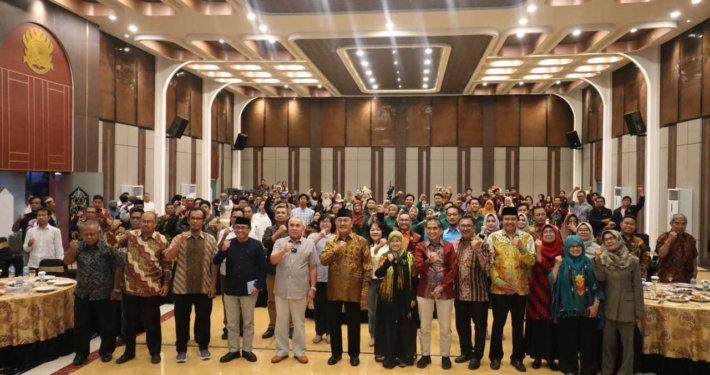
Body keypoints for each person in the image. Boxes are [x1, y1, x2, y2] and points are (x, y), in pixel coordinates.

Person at [106, 212, 170, 365]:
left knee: (152, 323)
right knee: (128, 323)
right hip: (130, 287)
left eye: (149, 222)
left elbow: (166, 264)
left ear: (155, 223)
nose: (145, 224)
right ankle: (129, 352)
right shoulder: (130, 235)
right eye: (143, 221)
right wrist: (111, 230)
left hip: (152, 288)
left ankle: (155, 352)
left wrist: (166, 283)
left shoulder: (162, 240)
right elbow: (113, 243)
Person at [64, 221, 123, 365]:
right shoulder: (78, 247)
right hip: (83, 292)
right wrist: (71, 250)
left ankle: (106, 351)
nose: (89, 237)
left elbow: (118, 267)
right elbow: (67, 261)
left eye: (92, 234)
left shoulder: (108, 248)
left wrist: (116, 288)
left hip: (104, 292)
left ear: (99, 234)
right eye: (86, 234)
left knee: (107, 325)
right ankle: (81, 353)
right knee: (81, 325)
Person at [164, 207, 219, 363]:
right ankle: (181, 350)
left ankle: (203, 347)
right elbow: (168, 256)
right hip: (182, 287)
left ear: (203, 221)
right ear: (188, 220)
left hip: (204, 286)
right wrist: (180, 241)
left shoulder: (210, 239)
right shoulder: (178, 238)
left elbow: (213, 264)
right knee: (181, 320)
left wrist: (213, 285)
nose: (195, 221)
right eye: (192, 218)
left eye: (198, 218)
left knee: (204, 319)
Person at [319, 208, 372, 367]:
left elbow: (368, 267)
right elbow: (323, 260)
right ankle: (336, 353)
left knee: (353, 325)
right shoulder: (330, 242)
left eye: (346, 220)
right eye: (340, 220)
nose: (343, 223)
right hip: (334, 290)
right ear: (336, 223)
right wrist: (336, 249)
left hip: (354, 290)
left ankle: (354, 354)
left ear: (351, 222)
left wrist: (364, 290)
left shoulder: (361, 241)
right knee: (334, 323)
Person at [213, 216, 266, 363]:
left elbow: (263, 268)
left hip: (250, 290)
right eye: (237, 227)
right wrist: (222, 250)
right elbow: (216, 262)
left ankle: (247, 350)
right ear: (233, 229)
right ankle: (233, 350)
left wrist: (258, 285)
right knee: (231, 323)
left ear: (249, 229)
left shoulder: (256, 245)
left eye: (243, 228)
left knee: (248, 322)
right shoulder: (228, 244)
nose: (240, 230)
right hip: (230, 289)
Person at [488, 206, 535, 372]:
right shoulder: (493, 237)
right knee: (498, 324)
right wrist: (499, 282)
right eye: (506, 219)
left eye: (513, 219)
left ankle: (517, 358)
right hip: (499, 289)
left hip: (520, 289)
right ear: (502, 221)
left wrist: (522, 247)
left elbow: (531, 262)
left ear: (518, 220)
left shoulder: (526, 237)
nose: (509, 222)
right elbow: (489, 263)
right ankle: (495, 357)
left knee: (517, 325)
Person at [593, 230, 644, 375]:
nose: (608, 241)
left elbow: (638, 287)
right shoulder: (603, 258)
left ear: (619, 240)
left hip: (628, 307)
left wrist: (639, 310)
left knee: (628, 345)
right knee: (608, 344)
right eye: (606, 239)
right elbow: (601, 278)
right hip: (610, 306)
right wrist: (597, 262)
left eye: (611, 238)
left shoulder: (632, 260)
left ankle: (625, 372)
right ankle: (607, 370)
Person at [270, 217, 318, 364]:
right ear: (288, 227)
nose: (294, 228)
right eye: (292, 225)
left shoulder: (309, 245)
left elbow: (313, 267)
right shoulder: (280, 242)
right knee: (281, 322)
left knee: (299, 323)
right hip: (281, 290)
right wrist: (283, 251)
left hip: (300, 290)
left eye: (298, 225)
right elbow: (273, 260)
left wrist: (313, 288)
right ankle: (281, 351)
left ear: (303, 228)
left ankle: (299, 351)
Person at [550, 235, 601, 375]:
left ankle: (588, 370)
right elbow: (552, 281)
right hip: (566, 309)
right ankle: (569, 368)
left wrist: (596, 304)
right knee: (567, 341)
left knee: (588, 342)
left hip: (587, 308)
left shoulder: (590, 263)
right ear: (566, 248)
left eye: (578, 246)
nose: (575, 248)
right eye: (572, 246)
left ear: (582, 247)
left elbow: (598, 284)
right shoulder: (562, 263)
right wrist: (557, 265)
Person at [414, 219, 457, 370]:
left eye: (435, 228)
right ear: (425, 230)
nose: (432, 231)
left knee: (445, 327)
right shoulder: (420, 246)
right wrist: (428, 261)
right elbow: (417, 268)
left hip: (445, 292)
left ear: (440, 230)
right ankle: (425, 355)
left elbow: (453, 269)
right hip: (424, 291)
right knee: (424, 326)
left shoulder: (448, 246)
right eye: (429, 228)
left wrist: (441, 287)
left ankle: (445, 356)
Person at [373, 231, 418, 369]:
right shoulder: (385, 256)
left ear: (402, 242)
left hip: (405, 299)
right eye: (392, 241)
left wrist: (413, 297)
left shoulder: (410, 257)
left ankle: (405, 356)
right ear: (389, 243)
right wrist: (388, 262)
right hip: (388, 299)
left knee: (405, 327)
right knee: (389, 327)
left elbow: (415, 278)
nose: (395, 244)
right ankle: (389, 356)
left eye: (398, 241)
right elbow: (378, 274)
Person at [452, 216, 490, 370]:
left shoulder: (483, 243)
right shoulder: (455, 244)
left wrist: (477, 250)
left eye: (468, 225)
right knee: (462, 326)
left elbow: (487, 267)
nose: (465, 228)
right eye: (462, 226)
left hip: (478, 293)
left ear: (474, 227)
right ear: (459, 228)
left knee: (480, 327)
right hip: (460, 293)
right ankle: (466, 351)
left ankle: (477, 355)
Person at [525, 224, 562, 371]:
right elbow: (541, 266)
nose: (548, 233)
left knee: (552, 325)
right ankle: (537, 356)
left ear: (556, 234)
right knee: (537, 324)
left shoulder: (562, 250)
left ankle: (551, 358)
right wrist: (538, 252)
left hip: (555, 292)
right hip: (537, 290)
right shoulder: (535, 249)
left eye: (551, 231)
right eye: (545, 231)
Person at [261, 205, 290, 339]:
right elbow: (266, 244)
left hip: (289, 270)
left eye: (283, 212)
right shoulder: (270, 229)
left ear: (287, 216)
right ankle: (272, 325)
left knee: (288, 299)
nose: (279, 214)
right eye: (277, 212)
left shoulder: (293, 228)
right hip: (272, 269)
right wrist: (278, 233)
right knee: (272, 300)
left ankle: (290, 326)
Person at [307, 214, 336, 345]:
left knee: (331, 307)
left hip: (332, 277)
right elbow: (307, 248)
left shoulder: (336, 237)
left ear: (332, 224)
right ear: (319, 223)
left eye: (328, 222)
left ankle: (330, 332)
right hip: (316, 276)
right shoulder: (312, 236)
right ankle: (319, 332)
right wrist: (320, 236)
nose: (325, 224)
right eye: (323, 221)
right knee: (318, 307)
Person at [367, 221, 391, 350]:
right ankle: (373, 336)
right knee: (372, 311)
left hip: (386, 281)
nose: (375, 232)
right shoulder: (366, 245)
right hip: (372, 281)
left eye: (377, 229)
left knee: (386, 311)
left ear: (382, 231)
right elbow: (368, 259)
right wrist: (377, 247)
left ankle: (385, 335)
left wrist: (381, 245)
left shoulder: (388, 246)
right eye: (372, 230)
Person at [655, 213, 698, 283]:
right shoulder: (663, 237)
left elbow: (694, 256)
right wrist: (669, 240)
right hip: (668, 276)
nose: (680, 226)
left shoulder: (690, 239)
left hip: (686, 276)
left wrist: (695, 270)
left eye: (683, 224)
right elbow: (661, 254)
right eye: (677, 224)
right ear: (671, 224)